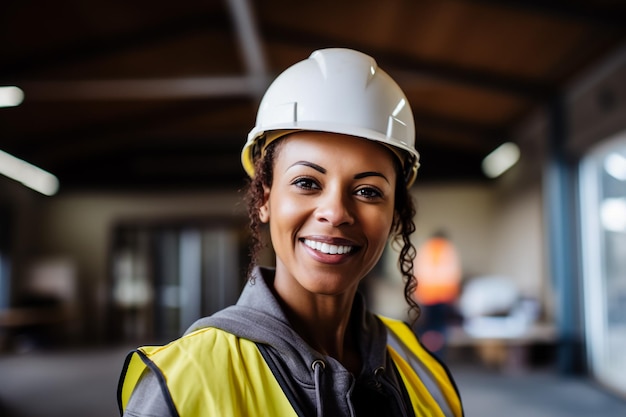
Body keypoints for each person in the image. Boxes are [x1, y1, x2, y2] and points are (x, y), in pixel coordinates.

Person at [117, 48, 464, 417]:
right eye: (307, 182)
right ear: (265, 198)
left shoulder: (422, 369)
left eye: (368, 191)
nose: (335, 213)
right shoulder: (183, 382)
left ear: (395, 213)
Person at [413, 230, 462, 358]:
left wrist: (417, 296)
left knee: (426, 327)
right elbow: (453, 274)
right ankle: (438, 356)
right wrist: (454, 297)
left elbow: (418, 272)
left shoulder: (426, 248)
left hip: (426, 296)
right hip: (444, 296)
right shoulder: (448, 248)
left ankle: (424, 354)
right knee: (440, 328)